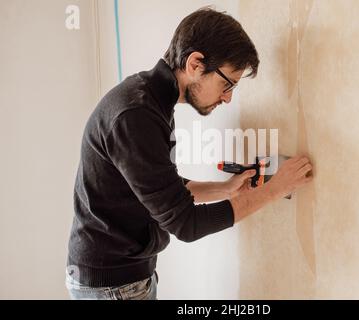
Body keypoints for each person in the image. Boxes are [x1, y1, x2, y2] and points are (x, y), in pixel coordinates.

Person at [66, 7, 313, 300]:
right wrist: (275, 189)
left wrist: (226, 189)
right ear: (195, 63)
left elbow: (164, 192)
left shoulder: (151, 102)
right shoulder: (136, 115)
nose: (228, 97)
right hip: (112, 285)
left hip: (123, 278)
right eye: (227, 83)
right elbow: (185, 223)